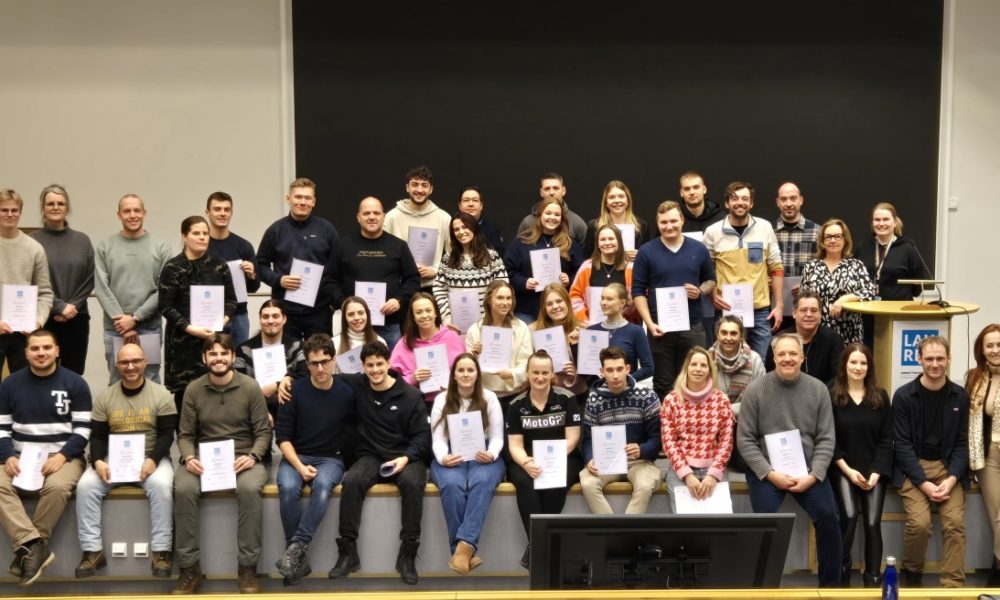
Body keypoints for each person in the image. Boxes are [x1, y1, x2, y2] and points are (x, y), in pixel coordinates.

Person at [736, 332, 841, 587]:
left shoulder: (818, 390)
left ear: (803, 357)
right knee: (765, 524)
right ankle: (765, 588)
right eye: (781, 354)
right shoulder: (755, 390)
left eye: (793, 353)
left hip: (808, 471)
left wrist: (814, 476)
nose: (787, 358)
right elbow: (745, 441)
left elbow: (826, 439)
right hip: (768, 472)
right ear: (773, 357)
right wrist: (770, 474)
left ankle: (830, 588)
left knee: (829, 518)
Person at [173, 334, 271, 594]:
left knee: (249, 489)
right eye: (213, 354)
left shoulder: (250, 387)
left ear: (233, 356)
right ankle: (189, 569)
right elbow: (185, 435)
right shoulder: (193, 389)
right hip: (203, 459)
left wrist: (253, 456)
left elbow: (263, 432)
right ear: (204, 358)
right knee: (183, 488)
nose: (218, 358)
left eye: (224, 353)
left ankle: (248, 568)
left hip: (243, 457)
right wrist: (189, 457)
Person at [328, 342, 430, 585]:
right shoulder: (357, 384)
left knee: (413, 484)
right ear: (363, 367)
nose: (375, 370)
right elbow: (322, 374)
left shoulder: (410, 395)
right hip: (371, 455)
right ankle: (348, 552)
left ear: (389, 363)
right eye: (370, 365)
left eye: (379, 364)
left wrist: (406, 458)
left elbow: (422, 437)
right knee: (352, 482)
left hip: (405, 456)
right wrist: (288, 380)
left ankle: (407, 555)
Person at [74, 343, 175, 579]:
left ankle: (161, 552)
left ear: (145, 362)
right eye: (124, 362)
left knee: (161, 486)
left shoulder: (161, 395)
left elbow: (167, 435)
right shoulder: (105, 397)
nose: (130, 367)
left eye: (135, 361)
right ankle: (92, 551)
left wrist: (153, 460)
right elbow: (98, 436)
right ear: (117, 365)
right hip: (114, 460)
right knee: (86, 486)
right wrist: (98, 461)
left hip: (152, 458)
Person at [0, 329, 91, 587]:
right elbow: (2, 428)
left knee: (58, 486)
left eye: (47, 347)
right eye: (35, 348)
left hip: (64, 455)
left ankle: (29, 550)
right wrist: (8, 456)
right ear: (26, 353)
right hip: (19, 455)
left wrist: (62, 456)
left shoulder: (76, 383)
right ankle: (33, 545)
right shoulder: (10, 384)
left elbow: (83, 429)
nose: (41, 353)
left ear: (57, 350)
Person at [274, 334, 357, 585]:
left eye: (325, 361)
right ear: (307, 364)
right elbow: (282, 437)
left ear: (334, 360)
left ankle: (294, 550)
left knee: (322, 486)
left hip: (331, 458)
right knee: (288, 488)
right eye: (314, 363)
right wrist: (299, 467)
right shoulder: (293, 391)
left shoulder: (346, 392)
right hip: (296, 456)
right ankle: (296, 558)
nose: (320, 368)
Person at [892, 335, 968, 588]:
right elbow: (902, 446)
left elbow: (962, 444)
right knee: (920, 524)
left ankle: (953, 585)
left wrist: (952, 479)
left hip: (949, 469)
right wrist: (923, 484)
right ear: (919, 359)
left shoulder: (960, 396)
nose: (935, 364)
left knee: (954, 524)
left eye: (940, 358)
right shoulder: (903, 396)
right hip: (914, 467)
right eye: (929, 359)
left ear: (949, 359)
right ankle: (912, 573)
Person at [506, 350, 583, 569]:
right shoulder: (515, 405)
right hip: (527, 458)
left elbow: (573, 438)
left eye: (544, 372)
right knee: (525, 484)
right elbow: (515, 445)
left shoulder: (567, 399)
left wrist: (554, 460)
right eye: (535, 372)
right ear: (527, 373)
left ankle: (536, 546)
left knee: (555, 482)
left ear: (551, 374)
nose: (540, 377)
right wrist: (527, 463)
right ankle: (541, 543)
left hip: (564, 455)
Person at [429, 353, 505, 574]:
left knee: (481, 481)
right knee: (452, 484)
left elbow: (498, 437)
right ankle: (465, 550)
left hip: (484, 452)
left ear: (477, 374)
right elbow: (438, 439)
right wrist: (443, 457)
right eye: (460, 370)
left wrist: (491, 453)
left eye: (470, 370)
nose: (465, 374)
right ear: (453, 375)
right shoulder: (441, 399)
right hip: (451, 452)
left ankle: (461, 550)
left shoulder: (490, 397)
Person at [632, 201, 716, 398]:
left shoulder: (698, 248)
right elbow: (637, 291)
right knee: (663, 383)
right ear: (657, 223)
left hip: (693, 326)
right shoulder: (646, 251)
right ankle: (667, 419)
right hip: (660, 329)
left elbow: (711, 280)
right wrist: (649, 324)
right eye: (663, 222)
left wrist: (700, 290)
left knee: (694, 381)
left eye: (673, 221)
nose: (669, 226)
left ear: (682, 220)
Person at [159, 216, 237, 414]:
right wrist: (192, 329)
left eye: (205, 233)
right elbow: (166, 307)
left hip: (213, 340)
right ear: (184, 236)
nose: (202, 237)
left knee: (216, 395)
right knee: (186, 399)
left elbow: (231, 301)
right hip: (182, 342)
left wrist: (221, 322)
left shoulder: (219, 265)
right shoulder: (172, 267)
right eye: (196, 233)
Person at [829, 343, 892, 587]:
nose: (858, 367)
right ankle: (841, 577)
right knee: (849, 515)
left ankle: (873, 579)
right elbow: (829, 439)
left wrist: (877, 471)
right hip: (843, 468)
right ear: (844, 365)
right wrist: (848, 471)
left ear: (869, 366)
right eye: (853, 362)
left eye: (863, 363)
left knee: (873, 522)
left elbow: (886, 439)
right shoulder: (832, 395)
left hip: (873, 471)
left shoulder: (880, 396)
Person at [322, 196, 421, 351]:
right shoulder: (342, 246)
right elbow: (329, 280)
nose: (372, 217)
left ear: (383, 216)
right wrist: (343, 302)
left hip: (389, 325)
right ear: (358, 217)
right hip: (353, 326)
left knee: (390, 365)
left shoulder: (398, 246)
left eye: (376, 213)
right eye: (366, 213)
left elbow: (413, 278)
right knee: (351, 365)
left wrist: (399, 300)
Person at [94, 193, 172, 384]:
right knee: (117, 380)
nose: (132, 215)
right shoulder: (105, 246)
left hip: (149, 327)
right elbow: (101, 287)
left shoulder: (161, 247)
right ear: (119, 215)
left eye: (137, 210)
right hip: (115, 328)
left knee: (150, 379)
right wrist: (122, 322)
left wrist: (135, 318)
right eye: (127, 211)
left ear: (144, 213)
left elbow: (164, 289)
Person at [703, 182, 784, 358]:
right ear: (727, 203)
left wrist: (779, 305)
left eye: (745, 199)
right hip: (727, 310)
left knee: (762, 362)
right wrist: (713, 295)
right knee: (725, 362)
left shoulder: (764, 228)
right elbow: (706, 270)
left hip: (760, 311)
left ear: (751, 203)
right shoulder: (712, 232)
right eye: (735, 199)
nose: (740, 202)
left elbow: (776, 267)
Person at [579, 347, 662, 514]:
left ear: (628, 369)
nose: (615, 375)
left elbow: (658, 438)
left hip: (639, 461)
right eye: (610, 370)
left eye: (619, 369)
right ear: (602, 372)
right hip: (607, 461)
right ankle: (612, 527)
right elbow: (588, 440)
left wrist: (642, 449)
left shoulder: (647, 396)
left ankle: (626, 529)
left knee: (645, 485)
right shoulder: (594, 399)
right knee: (587, 482)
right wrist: (589, 459)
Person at [257, 178, 340, 339]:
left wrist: (333, 303)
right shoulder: (275, 231)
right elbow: (260, 265)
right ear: (288, 199)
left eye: (307, 198)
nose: (303, 202)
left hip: (319, 312)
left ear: (314, 202)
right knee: (288, 354)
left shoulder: (327, 230)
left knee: (320, 353)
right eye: (298, 197)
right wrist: (278, 280)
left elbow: (338, 267)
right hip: (285, 312)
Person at [29, 184, 94, 375]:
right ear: (43, 208)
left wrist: (72, 307)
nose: (55, 207)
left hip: (77, 318)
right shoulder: (32, 241)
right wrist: (58, 306)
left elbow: (90, 278)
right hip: (44, 318)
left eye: (60, 203)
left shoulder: (82, 240)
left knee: (73, 374)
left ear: (67, 208)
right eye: (50, 204)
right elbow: (31, 280)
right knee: (42, 373)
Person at [661, 347, 734, 513]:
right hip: (681, 470)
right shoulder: (671, 400)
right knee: (686, 525)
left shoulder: (721, 400)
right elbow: (669, 441)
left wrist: (713, 475)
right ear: (686, 368)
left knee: (720, 524)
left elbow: (726, 441)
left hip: (714, 468)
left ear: (710, 370)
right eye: (693, 364)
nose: (698, 369)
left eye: (703, 365)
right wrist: (687, 475)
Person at [854, 202, 930, 349]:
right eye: (877, 220)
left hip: (898, 314)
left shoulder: (908, 247)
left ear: (894, 222)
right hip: (867, 315)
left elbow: (917, 286)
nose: (881, 223)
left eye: (886, 219)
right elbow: (854, 279)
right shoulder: (863, 247)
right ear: (872, 223)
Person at [0, 189, 53, 381]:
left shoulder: (34, 248)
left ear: (20, 212)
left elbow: (45, 293)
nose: (10, 214)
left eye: (14, 210)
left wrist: (37, 322)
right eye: (4, 210)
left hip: (23, 334)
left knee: (24, 387)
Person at [505, 197, 584, 323]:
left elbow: (581, 273)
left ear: (562, 218)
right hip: (527, 311)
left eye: (557, 214)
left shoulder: (570, 244)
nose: (552, 217)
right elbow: (508, 272)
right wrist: (523, 282)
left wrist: (569, 279)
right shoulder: (522, 242)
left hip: (559, 312)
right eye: (548, 213)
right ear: (540, 215)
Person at [800, 219, 875, 344]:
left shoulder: (856, 265)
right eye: (828, 237)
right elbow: (803, 298)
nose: (833, 240)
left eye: (837, 236)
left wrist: (844, 299)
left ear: (845, 240)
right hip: (817, 332)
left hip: (850, 332)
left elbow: (870, 291)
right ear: (822, 241)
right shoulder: (811, 267)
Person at [432, 212, 508, 330]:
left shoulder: (491, 256)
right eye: (456, 229)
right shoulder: (448, 259)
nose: (461, 232)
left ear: (474, 228)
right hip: (456, 326)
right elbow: (439, 289)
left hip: (487, 324)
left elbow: (502, 288)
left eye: (465, 227)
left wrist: (493, 317)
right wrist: (447, 318)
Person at [966, 323, 1000, 586]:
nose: (995, 350)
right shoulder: (974, 377)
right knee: (997, 516)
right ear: (982, 349)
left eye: (999, 345)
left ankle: (996, 572)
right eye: (990, 345)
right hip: (988, 458)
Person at [465, 280, 533, 407]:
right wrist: (474, 356)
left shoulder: (521, 328)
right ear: (489, 300)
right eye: (500, 298)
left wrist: (511, 374)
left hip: (514, 395)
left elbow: (527, 363)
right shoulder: (474, 330)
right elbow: (466, 369)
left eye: (509, 298)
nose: (505, 303)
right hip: (483, 396)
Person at [390, 291, 468, 403]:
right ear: (413, 317)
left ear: (436, 313)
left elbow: (467, 369)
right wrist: (412, 379)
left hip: (452, 400)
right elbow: (392, 379)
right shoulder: (404, 343)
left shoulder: (453, 338)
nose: (424, 315)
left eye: (428, 310)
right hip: (417, 402)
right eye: (419, 312)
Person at [234, 299, 308, 417]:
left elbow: (306, 376)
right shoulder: (243, 350)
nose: (270, 321)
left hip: (291, 409)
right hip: (253, 409)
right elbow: (238, 384)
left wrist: (279, 384)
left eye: (275, 316)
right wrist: (260, 411)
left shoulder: (298, 347)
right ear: (260, 319)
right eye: (265, 317)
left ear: (284, 319)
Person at [204, 191, 261, 345]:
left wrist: (251, 275)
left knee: (240, 357)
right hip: (209, 315)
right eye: (217, 209)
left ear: (231, 213)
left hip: (238, 316)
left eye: (227, 209)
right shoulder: (201, 246)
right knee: (211, 356)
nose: (222, 213)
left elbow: (254, 287)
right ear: (207, 212)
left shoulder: (244, 246)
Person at [383, 166, 452, 291]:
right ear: (407, 187)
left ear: (431, 189)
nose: (419, 190)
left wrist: (436, 270)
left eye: (424, 185)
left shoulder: (444, 218)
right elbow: (384, 254)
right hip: (400, 287)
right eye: (415, 184)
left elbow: (454, 253)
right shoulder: (392, 217)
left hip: (432, 287)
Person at [678, 171, 725, 346]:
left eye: (696, 187)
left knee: (714, 341)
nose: (692, 192)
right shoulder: (675, 219)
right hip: (683, 292)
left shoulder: (721, 219)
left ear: (704, 189)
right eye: (687, 189)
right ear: (681, 193)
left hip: (715, 291)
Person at [765, 291, 845, 386]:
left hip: (824, 393)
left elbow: (838, 377)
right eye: (803, 310)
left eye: (814, 310)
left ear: (820, 314)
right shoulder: (779, 340)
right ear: (794, 313)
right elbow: (770, 375)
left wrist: (819, 392)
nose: (809, 314)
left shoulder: (832, 339)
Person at [585, 283, 652, 382]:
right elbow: (585, 369)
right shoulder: (591, 331)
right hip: (597, 389)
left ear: (622, 303)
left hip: (625, 389)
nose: (604, 303)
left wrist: (625, 381)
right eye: (602, 298)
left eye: (609, 299)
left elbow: (648, 368)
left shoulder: (636, 331)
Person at [569, 223, 633, 326]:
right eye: (603, 239)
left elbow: (638, 300)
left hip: (623, 327)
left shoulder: (631, 269)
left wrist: (629, 307)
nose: (607, 243)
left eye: (611, 239)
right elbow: (574, 296)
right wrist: (585, 320)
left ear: (619, 242)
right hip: (592, 327)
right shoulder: (587, 267)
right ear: (597, 244)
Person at [773, 182, 820, 314]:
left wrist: (808, 283)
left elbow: (825, 266)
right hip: (775, 304)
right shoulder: (768, 231)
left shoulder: (817, 231)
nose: (788, 204)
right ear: (777, 202)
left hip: (807, 305)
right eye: (783, 199)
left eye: (793, 198)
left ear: (801, 200)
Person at [530, 284, 585, 396]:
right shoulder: (532, 330)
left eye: (559, 301)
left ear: (567, 303)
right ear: (544, 308)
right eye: (549, 304)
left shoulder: (582, 330)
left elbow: (590, 370)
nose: (555, 306)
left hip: (577, 394)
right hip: (546, 394)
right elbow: (527, 365)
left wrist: (575, 375)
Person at [707, 315, 765, 416]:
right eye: (724, 333)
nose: (728, 338)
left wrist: (727, 410)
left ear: (741, 336)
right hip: (713, 417)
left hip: (747, 417)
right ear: (717, 335)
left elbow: (761, 396)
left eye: (733, 333)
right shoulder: (707, 359)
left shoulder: (754, 359)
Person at [582, 180, 650, 261]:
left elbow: (648, 258)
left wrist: (640, 255)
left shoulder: (641, 226)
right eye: (611, 197)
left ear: (628, 201)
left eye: (621, 196)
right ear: (606, 203)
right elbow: (587, 257)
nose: (617, 201)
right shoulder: (594, 226)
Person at [516, 172, 588, 248]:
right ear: (541, 192)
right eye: (547, 189)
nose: (551, 192)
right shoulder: (528, 222)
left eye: (556, 188)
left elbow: (587, 252)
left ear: (563, 190)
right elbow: (518, 250)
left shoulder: (576, 223)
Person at [334, 296, 386, 373]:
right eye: (351, 314)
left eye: (361, 313)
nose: (356, 318)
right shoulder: (334, 343)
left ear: (367, 314)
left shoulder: (380, 342)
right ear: (345, 318)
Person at [458, 185, 505, 256]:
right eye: (466, 200)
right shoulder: (452, 228)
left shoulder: (492, 230)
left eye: (475, 200)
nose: (471, 204)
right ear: (460, 205)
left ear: (481, 205)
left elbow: (499, 257)